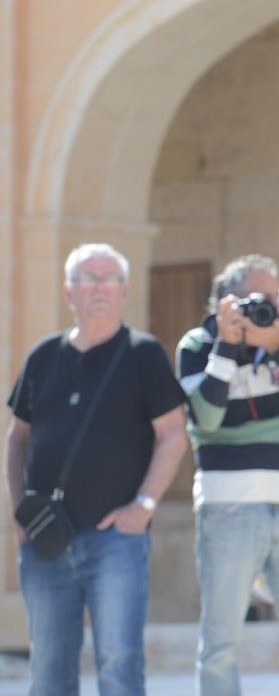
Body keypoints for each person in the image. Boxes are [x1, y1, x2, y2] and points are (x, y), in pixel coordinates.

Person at [5, 243, 189, 696]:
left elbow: (173, 435)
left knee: (119, 665)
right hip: (45, 541)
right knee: (48, 670)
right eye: (88, 277)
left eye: (109, 277)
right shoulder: (43, 356)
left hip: (117, 540)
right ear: (69, 291)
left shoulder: (144, 354)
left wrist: (143, 506)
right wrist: (18, 511)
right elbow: (17, 437)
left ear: (125, 289)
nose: (99, 286)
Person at [176, 254, 279, 695]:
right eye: (260, 298)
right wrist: (227, 346)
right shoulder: (196, 345)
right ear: (225, 301)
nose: (272, 306)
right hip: (227, 509)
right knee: (220, 646)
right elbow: (206, 417)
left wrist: (277, 346)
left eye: (275, 297)